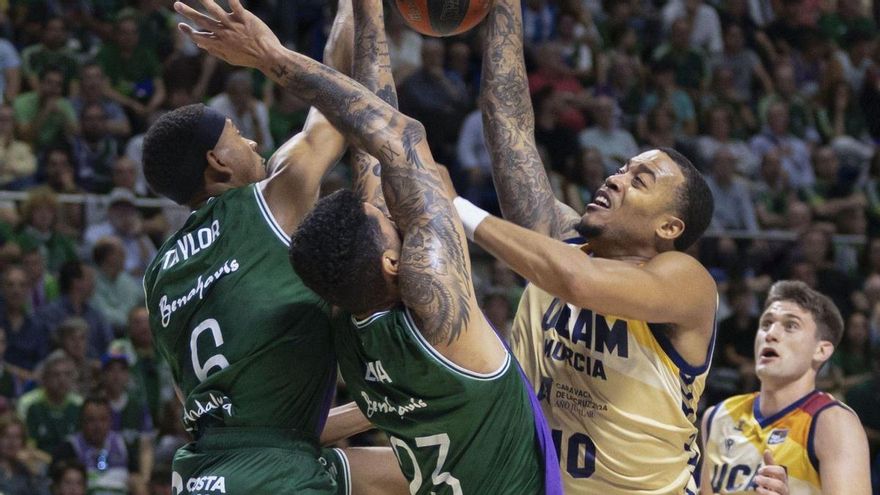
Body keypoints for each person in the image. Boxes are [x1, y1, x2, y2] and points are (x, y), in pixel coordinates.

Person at [286, 0, 560, 492]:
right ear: (394, 262)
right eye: (388, 223)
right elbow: (398, 136)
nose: (395, 214)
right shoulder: (435, 301)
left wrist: (368, 11)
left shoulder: (354, 332)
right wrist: (272, 54)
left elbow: (371, 155)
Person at [454, 0, 718, 492]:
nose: (615, 179)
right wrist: (506, 9)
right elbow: (506, 119)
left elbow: (577, 282)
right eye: (621, 167)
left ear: (669, 228)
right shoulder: (563, 243)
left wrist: (455, 207)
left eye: (639, 181)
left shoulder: (686, 281)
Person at [145, 2, 400, 494]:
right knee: (471, 465)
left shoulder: (158, 277)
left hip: (204, 473)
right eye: (238, 135)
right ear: (218, 162)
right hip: (276, 476)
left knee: (417, 470)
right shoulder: (272, 198)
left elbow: (247, 421)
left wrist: (372, 408)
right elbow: (337, 89)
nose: (254, 143)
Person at [700, 280, 871, 494]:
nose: (770, 334)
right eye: (766, 323)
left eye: (791, 326)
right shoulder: (717, 416)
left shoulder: (833, 423)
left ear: (821, 350)